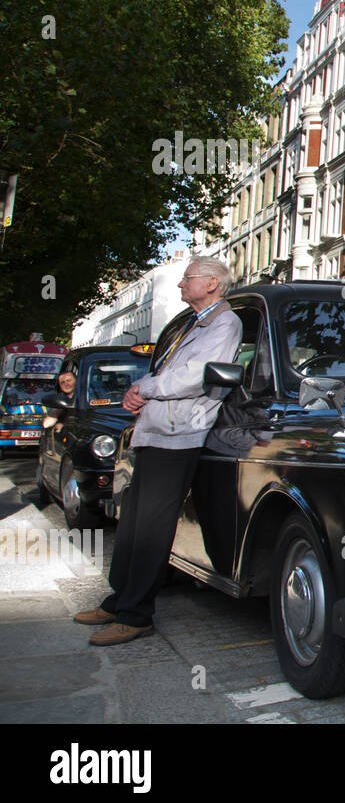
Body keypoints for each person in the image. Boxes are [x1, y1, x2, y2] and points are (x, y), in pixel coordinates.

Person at [74, 257, 242, 646]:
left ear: (212, 283)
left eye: (188, 279)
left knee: (153, 526)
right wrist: (140, 389)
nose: (181, 285)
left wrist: (144, 389)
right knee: (133, 521)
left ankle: (137, 614)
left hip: (179, 433)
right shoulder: (191, 323)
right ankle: (119, 599)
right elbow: (169, 370)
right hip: (156, 430)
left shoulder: (224, 323)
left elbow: (195, 375)